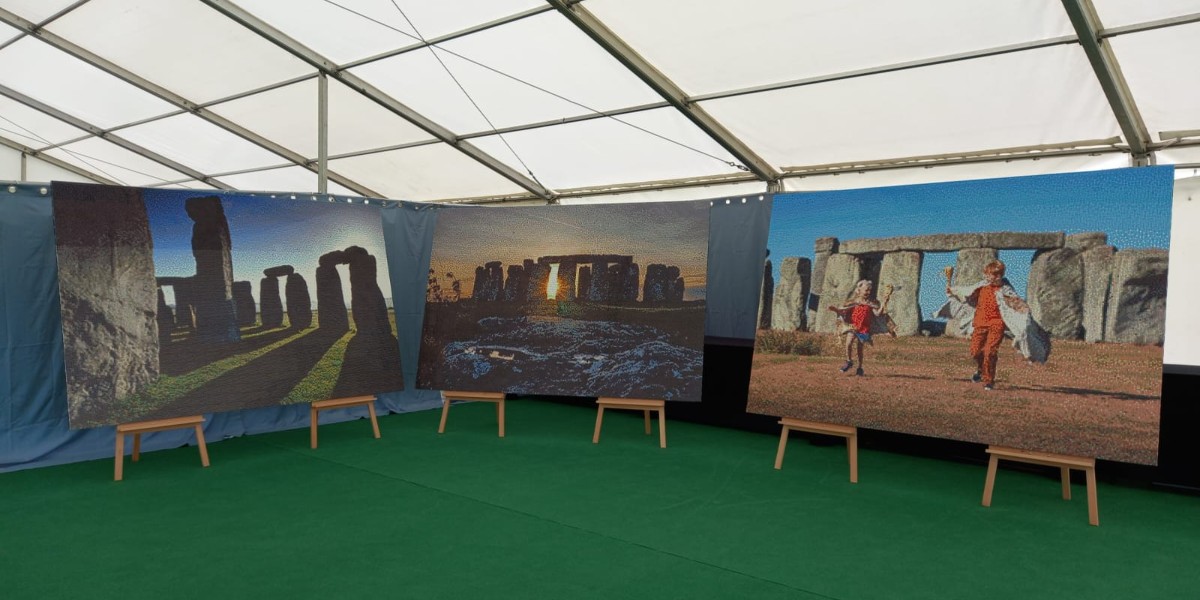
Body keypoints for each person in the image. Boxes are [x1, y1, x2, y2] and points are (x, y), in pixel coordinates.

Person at [938, 260, 1050, 391]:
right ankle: (980, 370)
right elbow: (966, 293)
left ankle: (988, 380)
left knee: (990, 351)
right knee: (975, 351)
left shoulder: (1005, 289)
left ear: (1000, 275)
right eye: (989, 275)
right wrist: (953, 291)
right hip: (980, 323)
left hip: (997, 324)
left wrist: (1024, 312)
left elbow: (1016, 303)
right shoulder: (981, 286)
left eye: (994, 275)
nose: (990, 277)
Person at [828, 279, 892, 376]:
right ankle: (849, 361)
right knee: (848, 343)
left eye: (869, 290)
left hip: (864, 329)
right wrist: (835, 309)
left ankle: (860, 367)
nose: (868, 292)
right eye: (866, 290)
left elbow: (878, 313)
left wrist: (884, 303)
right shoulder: (854, 302)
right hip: (853, 326)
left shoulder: (871, 304)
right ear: (859, 290)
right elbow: (843, 311)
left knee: (859, 348)